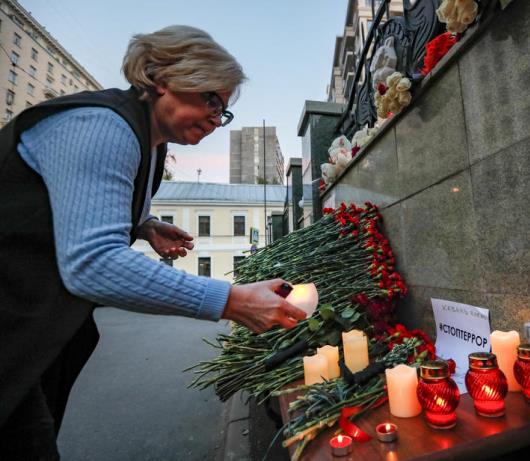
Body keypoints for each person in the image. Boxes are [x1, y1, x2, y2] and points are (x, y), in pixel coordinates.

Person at [0, 25, 306, 460]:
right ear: (163, 77)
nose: (216, 119)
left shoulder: (149, 143)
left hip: (33, 323)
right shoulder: (103, 125)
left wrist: (143, 224)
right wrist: (231, 300)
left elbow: (69, 204)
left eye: (223, 110)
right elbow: (93, 263)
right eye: (210, 99)